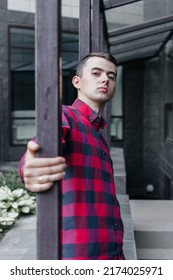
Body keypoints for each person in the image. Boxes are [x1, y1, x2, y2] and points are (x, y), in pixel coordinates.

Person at [18, 52, 125, 260]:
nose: (105, 79)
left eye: (111, 76)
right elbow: (41, 149)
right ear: (77, 81)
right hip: (79, 257)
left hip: (112, 254)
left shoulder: (98, 134)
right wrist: (30, 166)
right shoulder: (65, 116)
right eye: (96, 73)